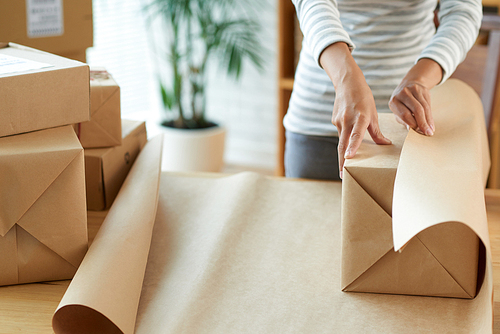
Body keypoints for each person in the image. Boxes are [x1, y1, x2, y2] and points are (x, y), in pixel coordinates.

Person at [284, 0, 483, 180]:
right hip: (320, 122)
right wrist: (345, 79)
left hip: (409, 125)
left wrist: (420, 78)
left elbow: (463, 10)